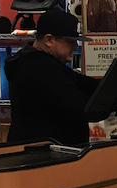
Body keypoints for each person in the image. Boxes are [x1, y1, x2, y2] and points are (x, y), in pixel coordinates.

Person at [6, 8, 98, 145]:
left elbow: (84, 84)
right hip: (42, 158)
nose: (75, 46)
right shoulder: (40, 68)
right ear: (49, 40)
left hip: (41, 155)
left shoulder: (42, 64)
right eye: (70, 41)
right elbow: (82, 107)